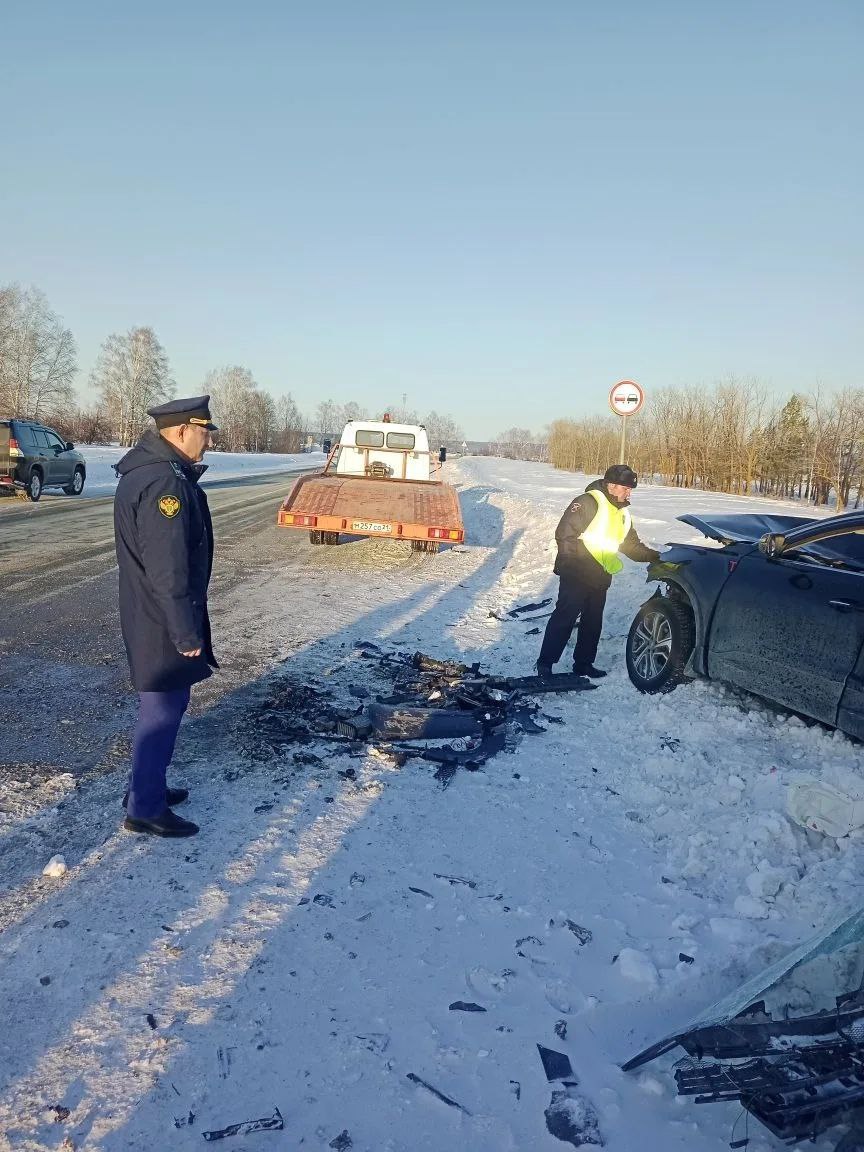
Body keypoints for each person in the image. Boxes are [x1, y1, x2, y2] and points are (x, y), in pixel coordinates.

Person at [113, 396, 219, 837]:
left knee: (165, 703)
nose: (208, 441)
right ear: (179, 432)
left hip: (149, 609)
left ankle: (146, 786)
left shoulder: (152, 472)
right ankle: (145, 807)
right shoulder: (165, 485)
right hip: (160, 616)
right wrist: (184, 630)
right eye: (204, 431)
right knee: (162, 708)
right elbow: (168, 566)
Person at [536, 464, 660, 681]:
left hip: (600, 574)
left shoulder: (623, 513)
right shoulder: (588, 501)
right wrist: (569, 561)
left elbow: (630, 545)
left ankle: (583, 664)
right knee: (564, 617)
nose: (629, 492)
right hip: (577, 570)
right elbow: (565, 533)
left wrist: (654, 556)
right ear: (611, 485)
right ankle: (545, 664)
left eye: (631, 489)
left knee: (593, 622)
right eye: (625, 488)